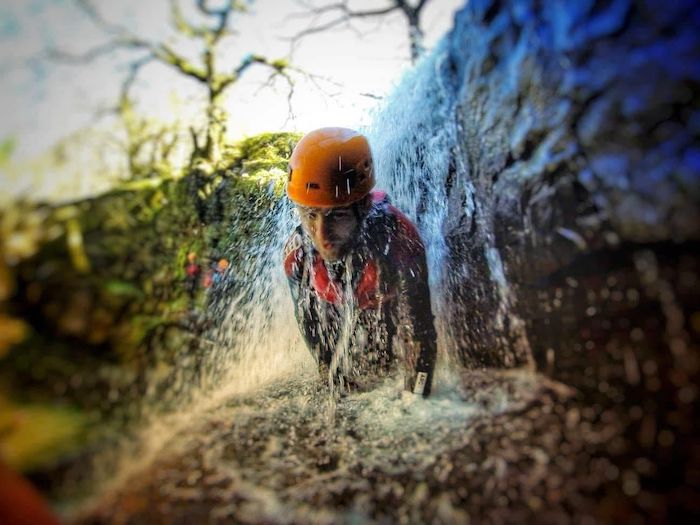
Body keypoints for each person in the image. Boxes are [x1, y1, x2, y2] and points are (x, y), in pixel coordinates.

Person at [283, 127, 437, 397]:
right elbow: (310, 325)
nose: (322, 235)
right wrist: (329, 375)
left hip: (385, 301)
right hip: (335, 306)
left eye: (338, 216)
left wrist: (418, 401)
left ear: (364, 207)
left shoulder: (399, 239)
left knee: (388, 358)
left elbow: (420, 331)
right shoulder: (297, 256)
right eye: (310, 215)